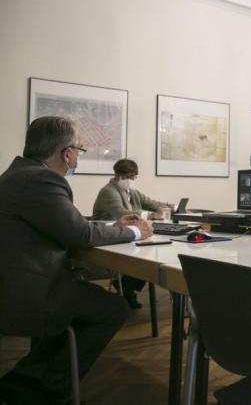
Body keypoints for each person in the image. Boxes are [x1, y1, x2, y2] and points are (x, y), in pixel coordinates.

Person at [0, 116, 153, 405]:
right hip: (29, 295)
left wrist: (112, 225)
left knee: (82, 305)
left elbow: (67, 223)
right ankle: (49, 390)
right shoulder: (41, 180)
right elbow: (80, 234)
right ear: (67, 153)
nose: (78, 158)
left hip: (14, 284)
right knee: (112, 308)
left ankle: (30, 375)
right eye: (80, 150)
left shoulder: (19, 174)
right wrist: (134, 231)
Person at [92, 158, 171, 308]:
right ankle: (127, 286)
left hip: (128, 237)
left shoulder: (132, 192)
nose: (129, 180)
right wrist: (152, 216)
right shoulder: (108, 191)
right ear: (117, 176)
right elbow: (122, 213)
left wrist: (172, 208)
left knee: (151, 249)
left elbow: (152, 203)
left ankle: (127, 286)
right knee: (147, 251)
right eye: (126, 177)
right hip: (108, 238)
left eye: (132, 177)